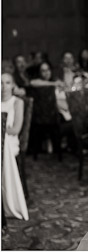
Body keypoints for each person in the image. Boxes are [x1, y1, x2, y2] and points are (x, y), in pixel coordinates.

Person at [1, 72, 29, 222]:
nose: (3, 87)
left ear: (12, 85)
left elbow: (16, 129)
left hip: (11, 144)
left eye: (7, 82)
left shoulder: (17, 102)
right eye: (0, 82)